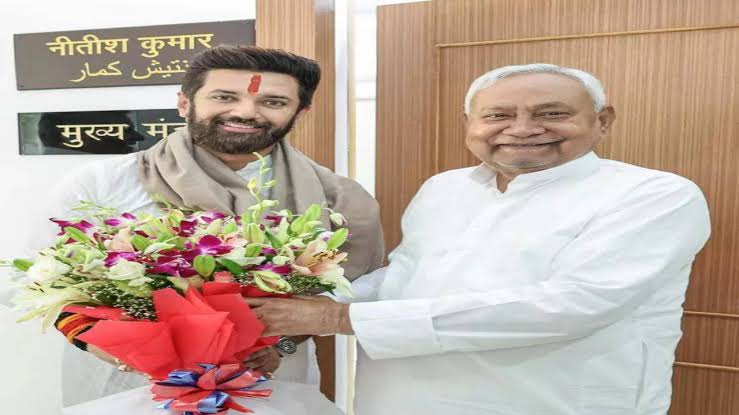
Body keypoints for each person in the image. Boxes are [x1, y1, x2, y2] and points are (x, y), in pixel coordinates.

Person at [247, 64, 711, 415]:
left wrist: (335, 316)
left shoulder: (654, 194)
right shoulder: (445, 188)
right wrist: (294, 317)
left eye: (552, 113)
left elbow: (574, 304)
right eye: (498, 115)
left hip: (549, 400)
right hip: (398, 399)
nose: (522, 128)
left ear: (602, 121)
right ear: (470, 122)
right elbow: (403, 277)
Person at [42, 45, 385, 406]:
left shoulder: (338, 200)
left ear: (300, 112)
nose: (245, 112)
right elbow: (37, 277)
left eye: (273, 102)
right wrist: (99, 342)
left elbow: (357, 294)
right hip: (125, 382)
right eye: (224, 97)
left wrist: (282, 342)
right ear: (184, 103)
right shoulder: (102, 183)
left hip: (270, 381)